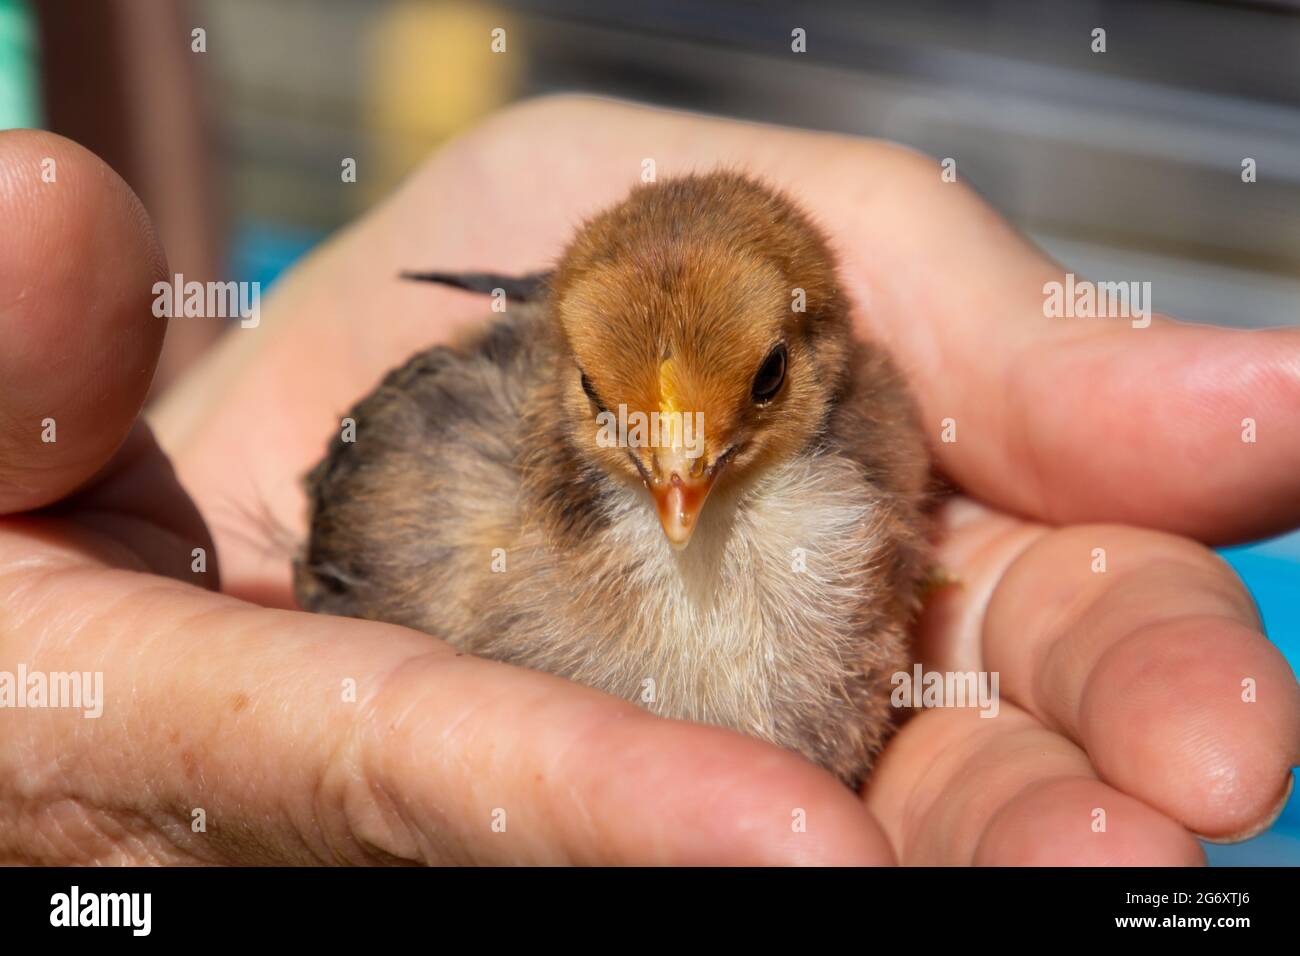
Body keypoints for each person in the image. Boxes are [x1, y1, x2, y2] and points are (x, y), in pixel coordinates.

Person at [0, 96, 1296, 865]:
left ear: (826, 353)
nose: (679, 484)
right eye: (620, 417)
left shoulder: (880, 447)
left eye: (760, 397)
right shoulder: (430, 502)